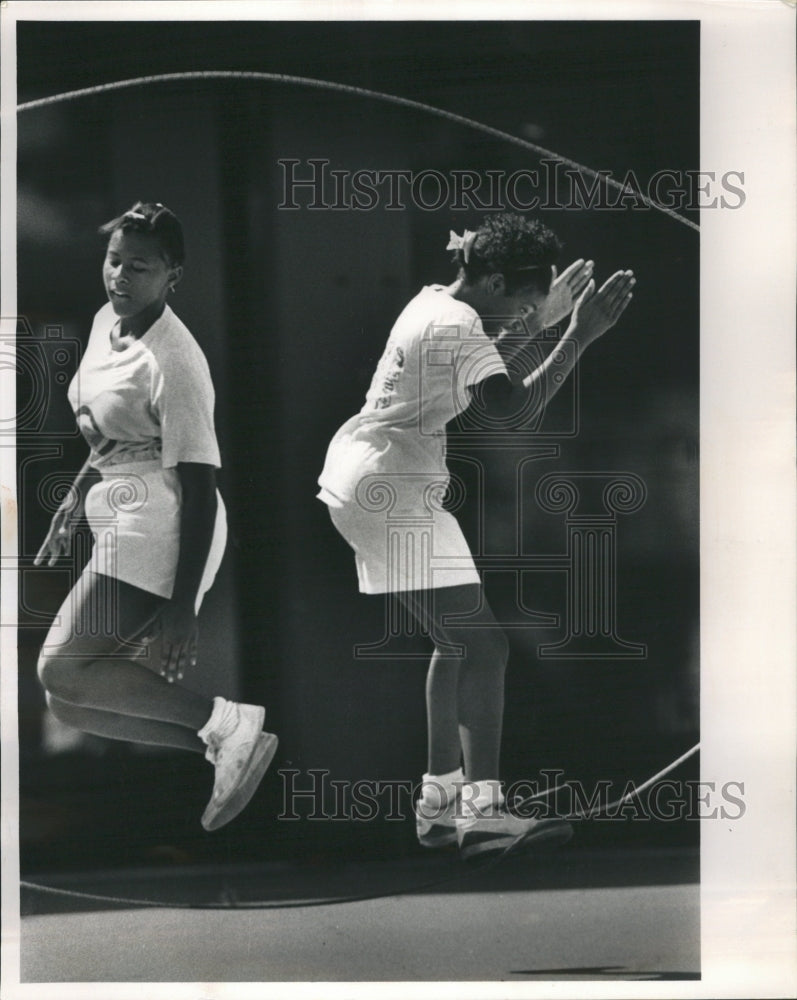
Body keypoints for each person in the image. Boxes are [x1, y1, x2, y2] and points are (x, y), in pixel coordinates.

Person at [318, 212, 635, 860]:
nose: (524, 310)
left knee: (457, 644)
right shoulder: (459, 327)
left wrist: (538, 322)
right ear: (490, 279)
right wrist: (576, 334)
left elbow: (482, 371)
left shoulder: (436, 302)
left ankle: (439, 805)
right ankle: (482, 811)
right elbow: (512, 411)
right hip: (389, 489)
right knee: (485, 646)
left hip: (372, 480)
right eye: (521, 296)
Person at [35, 201, 277, 832]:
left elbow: (200, 487)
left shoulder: (175, 359)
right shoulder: (103, 321)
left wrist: (181, 608)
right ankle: (223, 740)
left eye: (139, 267)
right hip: (119, 507)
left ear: (174, 275)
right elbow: (109, 434)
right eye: (114, 261)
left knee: (60, 668)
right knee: (71, 704)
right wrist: (71, 499)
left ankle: (228, 723)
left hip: (165, 517)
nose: (120, 277)